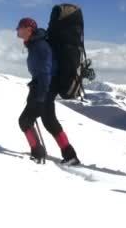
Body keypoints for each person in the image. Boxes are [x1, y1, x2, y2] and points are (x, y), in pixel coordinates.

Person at [16, 17, 80, 166]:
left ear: (29, 29)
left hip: (44, 88)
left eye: (20, 27)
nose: (17, 30)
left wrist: (40, 96)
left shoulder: (40, 46)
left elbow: (45, 72)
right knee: (49, 121)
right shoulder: (35, 44)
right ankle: (70, 156)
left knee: (25, 121)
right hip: (44, 87)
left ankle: (37, 154)